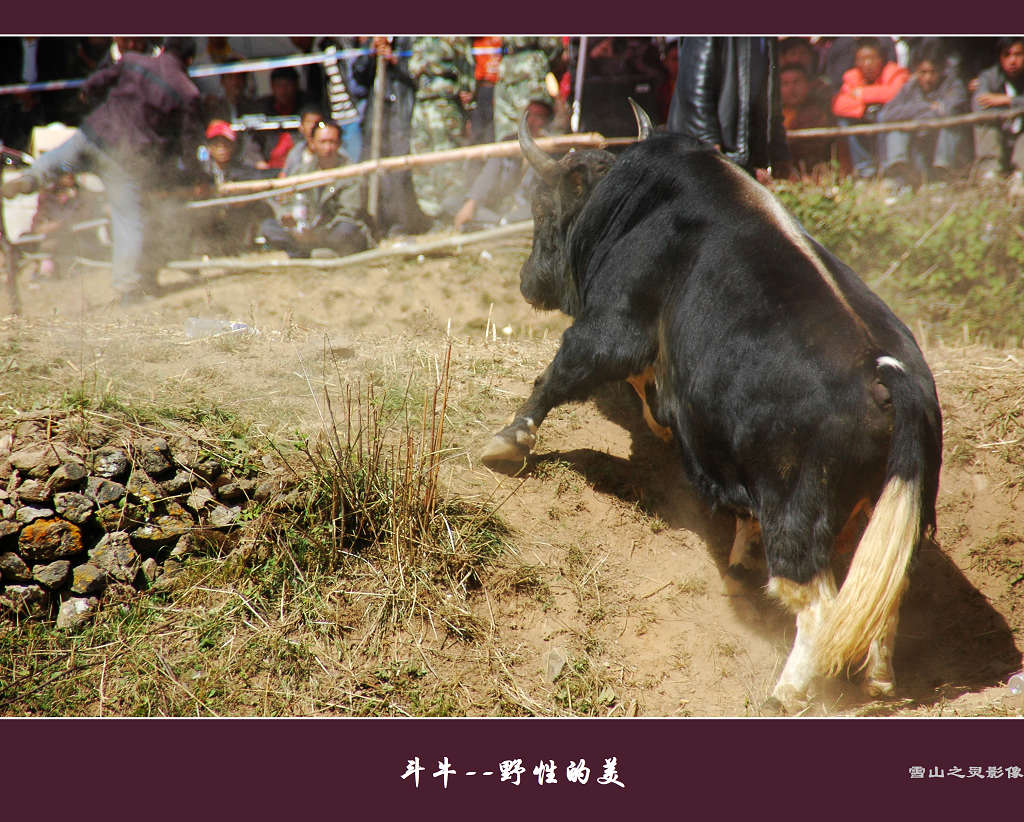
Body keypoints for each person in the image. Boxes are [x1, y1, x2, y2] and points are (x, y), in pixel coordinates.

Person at [1, 37, 205, 305]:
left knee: (59, 160)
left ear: (164, 49)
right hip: (124, 159)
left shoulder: (133, 61)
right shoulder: (187, 91)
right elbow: (186, 141)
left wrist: (97, 102)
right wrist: (191, 173)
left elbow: (94, 84)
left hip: (95, 133)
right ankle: (126, 287)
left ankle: (29, 179)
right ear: (189, 60)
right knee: (127, 219)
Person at [668, 36, 790, 182]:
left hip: (746, 160)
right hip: (715, 159)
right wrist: (709, 150)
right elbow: (693, 91)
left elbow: (771, 99)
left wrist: (779, 151)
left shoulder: (768, 37)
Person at [351, 36, 430, 237]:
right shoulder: (373, 41)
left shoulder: (410, 42)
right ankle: (376, 221)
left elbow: (419, 75)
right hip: (376, 115)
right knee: (372, 167)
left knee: (399, 168)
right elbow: (359, 74)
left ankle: (402, 222)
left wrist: (395, 60)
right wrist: (371, 52)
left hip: (400, 112)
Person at [258, 119, 371, 259]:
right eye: (322, 142)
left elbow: (349, 213)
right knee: (268, 227)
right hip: (304, 230)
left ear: (340, 144)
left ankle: (316, 250)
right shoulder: (302, 171)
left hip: (332, 230)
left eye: (332, 142)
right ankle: (305, 250)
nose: (327, 148)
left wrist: (316, 233)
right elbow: (283, 200)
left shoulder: (351, 173)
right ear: (312, 144)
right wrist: (286, 216)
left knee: (346, 230)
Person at [441, 98, 552, 231]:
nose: (532, 120)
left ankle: (498, 225)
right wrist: (471, 203)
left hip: (526, 210)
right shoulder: (508, 142)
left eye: (538, 116)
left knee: (539, 210)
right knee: (451, 203)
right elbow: (488, 174)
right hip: (499, 209)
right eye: (529, 114)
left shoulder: (551, 149)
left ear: (546, 122)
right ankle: (500, 224)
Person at [879, 41, 969, 189]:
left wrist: (913, 114)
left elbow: (949, 110)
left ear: (941, 70)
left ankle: (942, 178)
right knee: (897, 127)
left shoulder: (954, 85)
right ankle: (899, 177)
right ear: (916, 72)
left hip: (944, 149)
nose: (927, 78)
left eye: (932, 72)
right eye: (923, 72)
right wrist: (925, 107)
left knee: (949, 126)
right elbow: (886, 114)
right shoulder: (910, 87)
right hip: (917, 147)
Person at [409, 37, 475, 218]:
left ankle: (449, 211)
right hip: (422, 103)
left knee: (448, 160)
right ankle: (431, 213)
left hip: (446, 103)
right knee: (421, 157)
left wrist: (466, 95)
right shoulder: (418, 38)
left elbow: (467, 68)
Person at [193, 120, 277, 255]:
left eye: (226, 144)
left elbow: (258, 181)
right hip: (209, 220)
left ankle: (278, 242)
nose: (221, 148)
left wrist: (241, 195)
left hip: (235, 221)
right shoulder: (200, 172)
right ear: (209, 147)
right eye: (216, 144)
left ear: (233, 146)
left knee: (261, 207)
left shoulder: (243, 170)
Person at [832, 37, 909, 179]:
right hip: (864, 120)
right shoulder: (851, 76)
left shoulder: (895, 72)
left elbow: (894, 93)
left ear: (882, 59)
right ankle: (865, 171)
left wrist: (861, 94)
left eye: (872, 58)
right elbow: (839, 104)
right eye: (862, 59)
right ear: (856, 62)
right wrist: (864, 111)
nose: (867, 64)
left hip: (890, 123)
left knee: (884, 115)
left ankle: (888, 171)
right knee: (845, 121)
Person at [971, 37, 1024, 184]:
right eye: (1007, 55)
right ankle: (990, 173)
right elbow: (980, 103)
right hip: (1000, 129)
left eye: (1018, 55)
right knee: (984, 122)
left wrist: (1008, 100)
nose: (1012, 61)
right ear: (1000, 58)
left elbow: (998, 101)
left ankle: (1020, 174)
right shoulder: (988, 77)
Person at [492, 37, 562, 146]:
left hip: (530, 70)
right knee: (507, 133)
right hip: (507, 72)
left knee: (533, 128)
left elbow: (553, 46)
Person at [779, 63, 834, 178]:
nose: (791, 89)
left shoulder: (817, 111)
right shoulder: (774, 115)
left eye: (796, 82)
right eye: (785, 84)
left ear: (807, 85)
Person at [254, 66, 305, 169]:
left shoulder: (306, 107)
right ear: (272, 87)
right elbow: (251, 139)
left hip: (299, 166)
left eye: (288, 85)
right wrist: (257, 160)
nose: (283, 90)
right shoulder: (262, 108)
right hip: (268, 169)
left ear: (296, 86)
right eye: (279, 85)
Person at [282, 103, 330, 177]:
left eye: (317, 122)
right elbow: (286, 176)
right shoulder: (296, 152)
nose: (312, 126)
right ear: (301, 127)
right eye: (309, 122)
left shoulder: (332, 149)